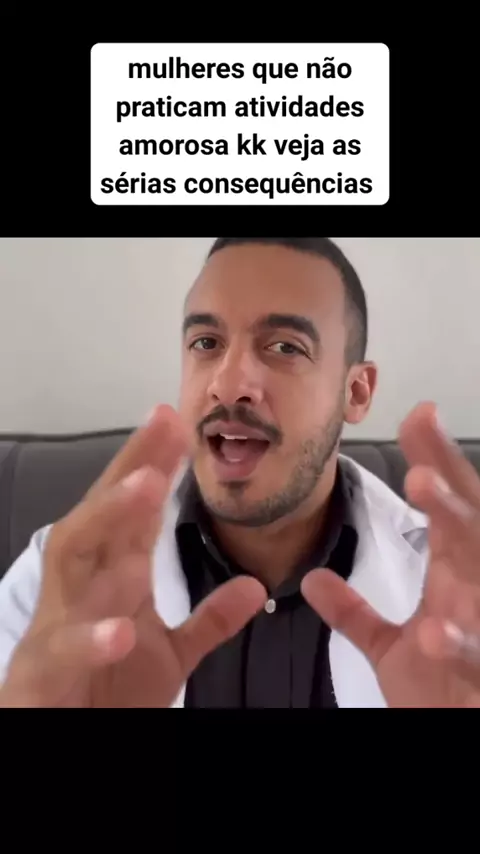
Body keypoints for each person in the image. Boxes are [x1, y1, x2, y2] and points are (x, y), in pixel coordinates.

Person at [0, 236, 479, 708]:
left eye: (285, 347)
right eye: (206, 343)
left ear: (355, 392)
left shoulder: (458, 605)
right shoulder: (64, 584)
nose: (228, 385)